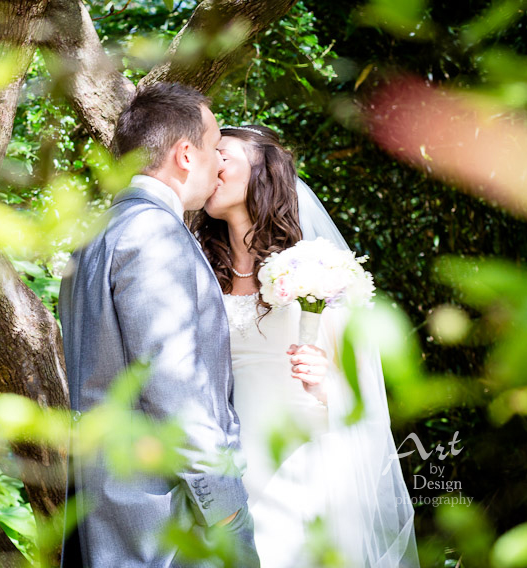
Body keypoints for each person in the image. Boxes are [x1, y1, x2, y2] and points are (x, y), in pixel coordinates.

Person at [189, 124, 419, 567]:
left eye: (224, 156)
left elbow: (356, 390)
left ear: (262, 173)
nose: (212, 166)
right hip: (225, 463)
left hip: (298, 458)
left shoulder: (317, 268)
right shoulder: (198, 265)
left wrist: (323, 383)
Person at [58, 83, 259, 567]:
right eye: (213, 149)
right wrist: (228, 509)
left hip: (108, 503)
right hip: (163, 517)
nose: (218, 165)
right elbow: (173, 384)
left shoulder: (94, 235)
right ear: (185, 155)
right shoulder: (154, 233)